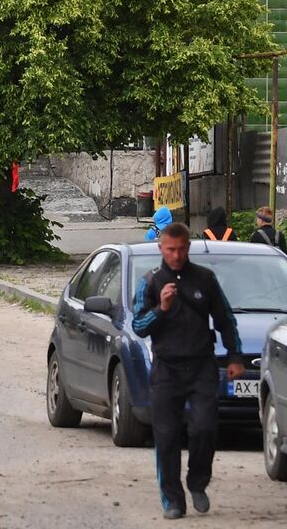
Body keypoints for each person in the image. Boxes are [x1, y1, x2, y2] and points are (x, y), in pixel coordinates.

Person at [131, 221, 244, 520]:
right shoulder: (151, 282)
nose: (177, 255)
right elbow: (138, 326)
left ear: (188, 247)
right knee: (166, 438)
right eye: (171, 250)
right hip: (166, 370)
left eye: (181, 249)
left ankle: (198, 483)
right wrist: (161, 309)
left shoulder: (205, 279)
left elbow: (225, 319)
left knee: (205, 428)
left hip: (202, 366)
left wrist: (235, 356)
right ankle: (172, 499)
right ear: (161, 248)